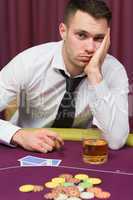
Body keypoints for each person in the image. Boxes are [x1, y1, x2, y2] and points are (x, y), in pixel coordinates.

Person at [0, 0, 129, 152]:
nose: (90, 48)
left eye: (99, 38)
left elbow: (116, 140)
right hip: (25, 146)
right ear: (63, 31)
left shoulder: (114, 70)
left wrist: (95, 74)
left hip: (79, 151)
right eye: (81, 35)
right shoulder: (29, 62)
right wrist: (18, 134)